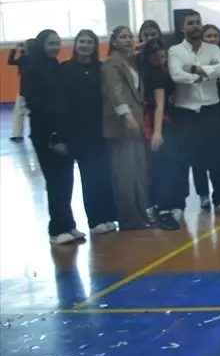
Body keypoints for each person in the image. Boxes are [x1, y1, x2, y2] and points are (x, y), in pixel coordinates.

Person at [23, 30, 83, 244]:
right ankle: (56, 229)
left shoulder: (56, 67)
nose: (55, 47)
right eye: (51, 43)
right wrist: (53, 136)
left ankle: (69, 224)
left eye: (57, 43)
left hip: (64, 132)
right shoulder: (32, 70)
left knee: (67, 180)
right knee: (55, 181)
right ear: (41, 45)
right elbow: (36, 105)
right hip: (46, 134)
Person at [168, 11, 220, 211]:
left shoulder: (213, 49)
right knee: (187, 157)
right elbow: (176, 74)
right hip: (185, 111)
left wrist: (194, 69)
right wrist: (203, 74)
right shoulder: (175, 51)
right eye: (190, 23)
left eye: (198, 22)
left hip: (211, 108)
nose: (195, 26)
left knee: (216, 156)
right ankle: (190, 200)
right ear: (182, 27)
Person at [63, 30, 119, 233]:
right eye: (81, 41)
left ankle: (108, 216)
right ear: (76, 45)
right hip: (79, 132)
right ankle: (95, 221)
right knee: (89, 177)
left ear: (95, 46)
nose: (85, 45)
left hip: (100, 129)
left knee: (104, 175)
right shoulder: (66, 69)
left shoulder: (100, 68)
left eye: (89, 42)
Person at [101, 26, 154, 230]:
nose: (127, 40)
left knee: (138, 171)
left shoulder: (130, 62)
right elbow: (115, 93)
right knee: (124, 173)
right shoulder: (111, 64)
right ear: (113, 41)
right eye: (122, 37)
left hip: (136, 123)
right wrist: (128, 116)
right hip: (122, 124)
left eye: (129, 37)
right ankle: (129, 218)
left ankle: (141, 214)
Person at [140, 38, 181, 230]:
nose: (159, 56)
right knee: (166, 167)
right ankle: (163, 209)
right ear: (148, 56)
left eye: (162, 53)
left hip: (163, 121)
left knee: (163, 167)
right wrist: (157, 132)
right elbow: (159, 105)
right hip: (160, 123)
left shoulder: (160, 70)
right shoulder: (156, 74)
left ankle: (158, 206)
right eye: (155, 54)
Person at [7, 39, 31, 142]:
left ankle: (18, 135)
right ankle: (35, 132)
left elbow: (10, 61)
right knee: (35, 113)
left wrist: (14, 49)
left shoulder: (24, 58)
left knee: (19, 112)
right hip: (33, 90)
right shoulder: (35, 59)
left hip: (24, 89)